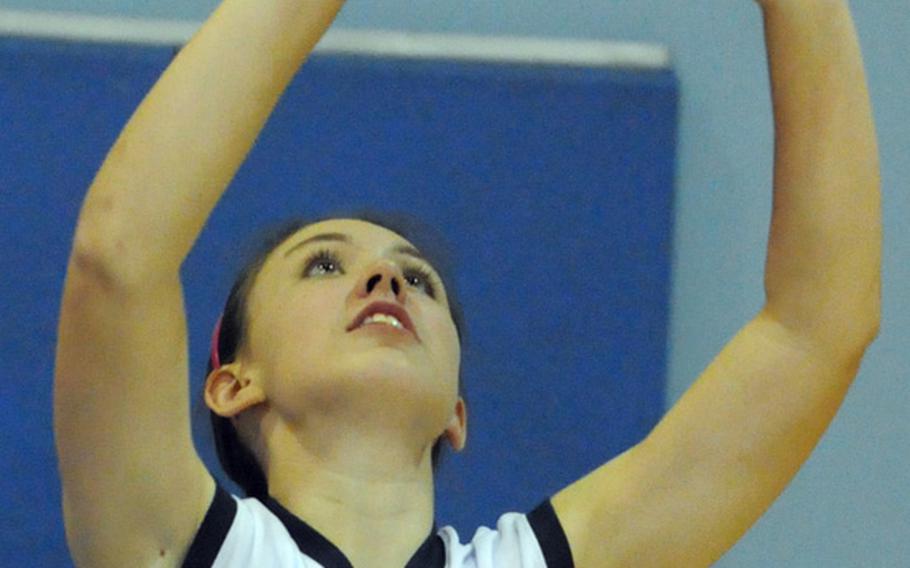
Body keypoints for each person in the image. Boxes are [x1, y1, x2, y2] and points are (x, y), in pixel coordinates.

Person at [53, 0, 880, 566]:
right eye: (326, 264)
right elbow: (119, 254)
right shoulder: (174, 542)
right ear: (232, 384)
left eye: (419, 280)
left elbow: (818, 327)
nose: (387, 277)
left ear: (458, 413)